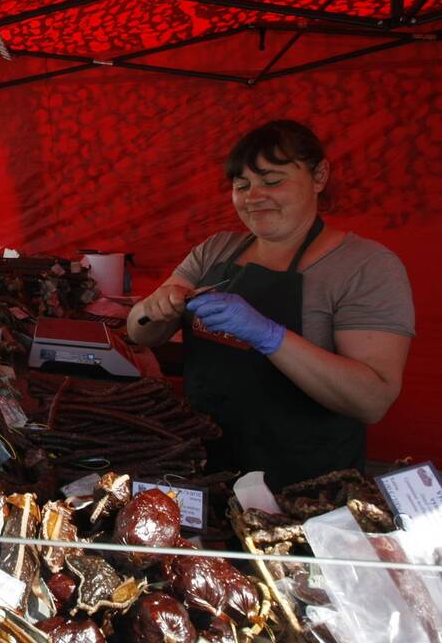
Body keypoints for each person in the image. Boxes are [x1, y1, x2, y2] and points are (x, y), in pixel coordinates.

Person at [126, 120, 414, 489]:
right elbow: (140, 332)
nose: (253, 196)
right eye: (241, 185)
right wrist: (155, 307)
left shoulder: (365, 266)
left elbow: (372, 400)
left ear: (319, 175)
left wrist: (270, 336)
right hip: (203, 463)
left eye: (273, 181)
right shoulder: (216, 250)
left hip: (304, 481)